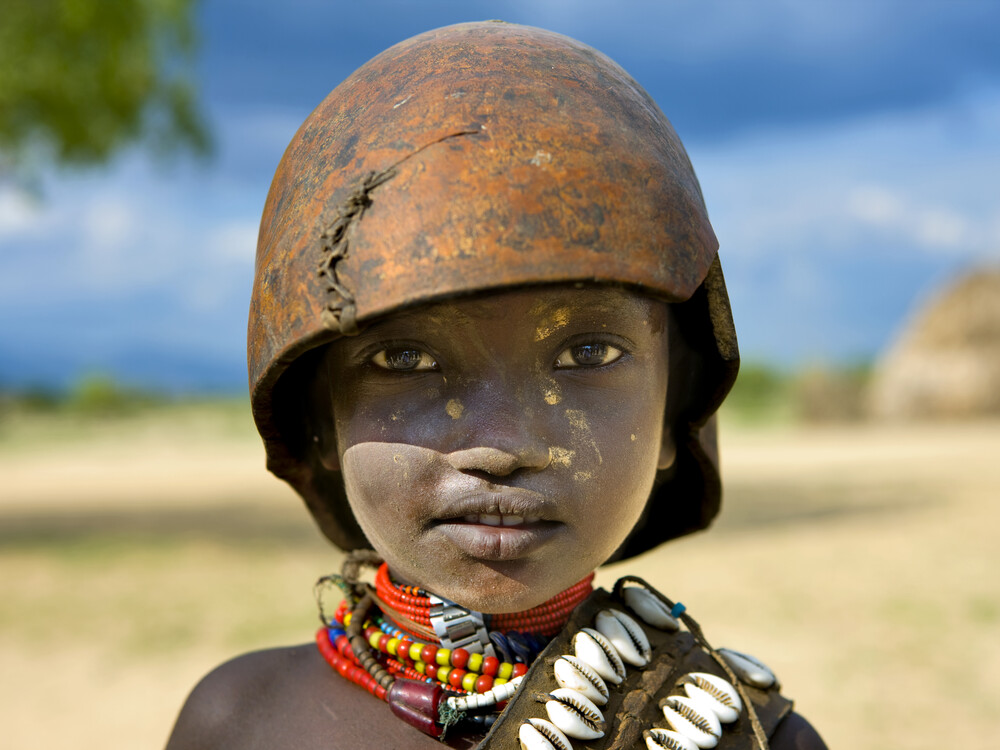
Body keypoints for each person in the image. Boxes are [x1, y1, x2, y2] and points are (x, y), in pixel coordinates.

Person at [166, 21, 826, 750]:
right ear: (317, 416)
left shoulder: (753, 740)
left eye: (587, 352)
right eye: (406, 361)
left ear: (676, 412)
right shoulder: (239, 724)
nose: (503, 445)